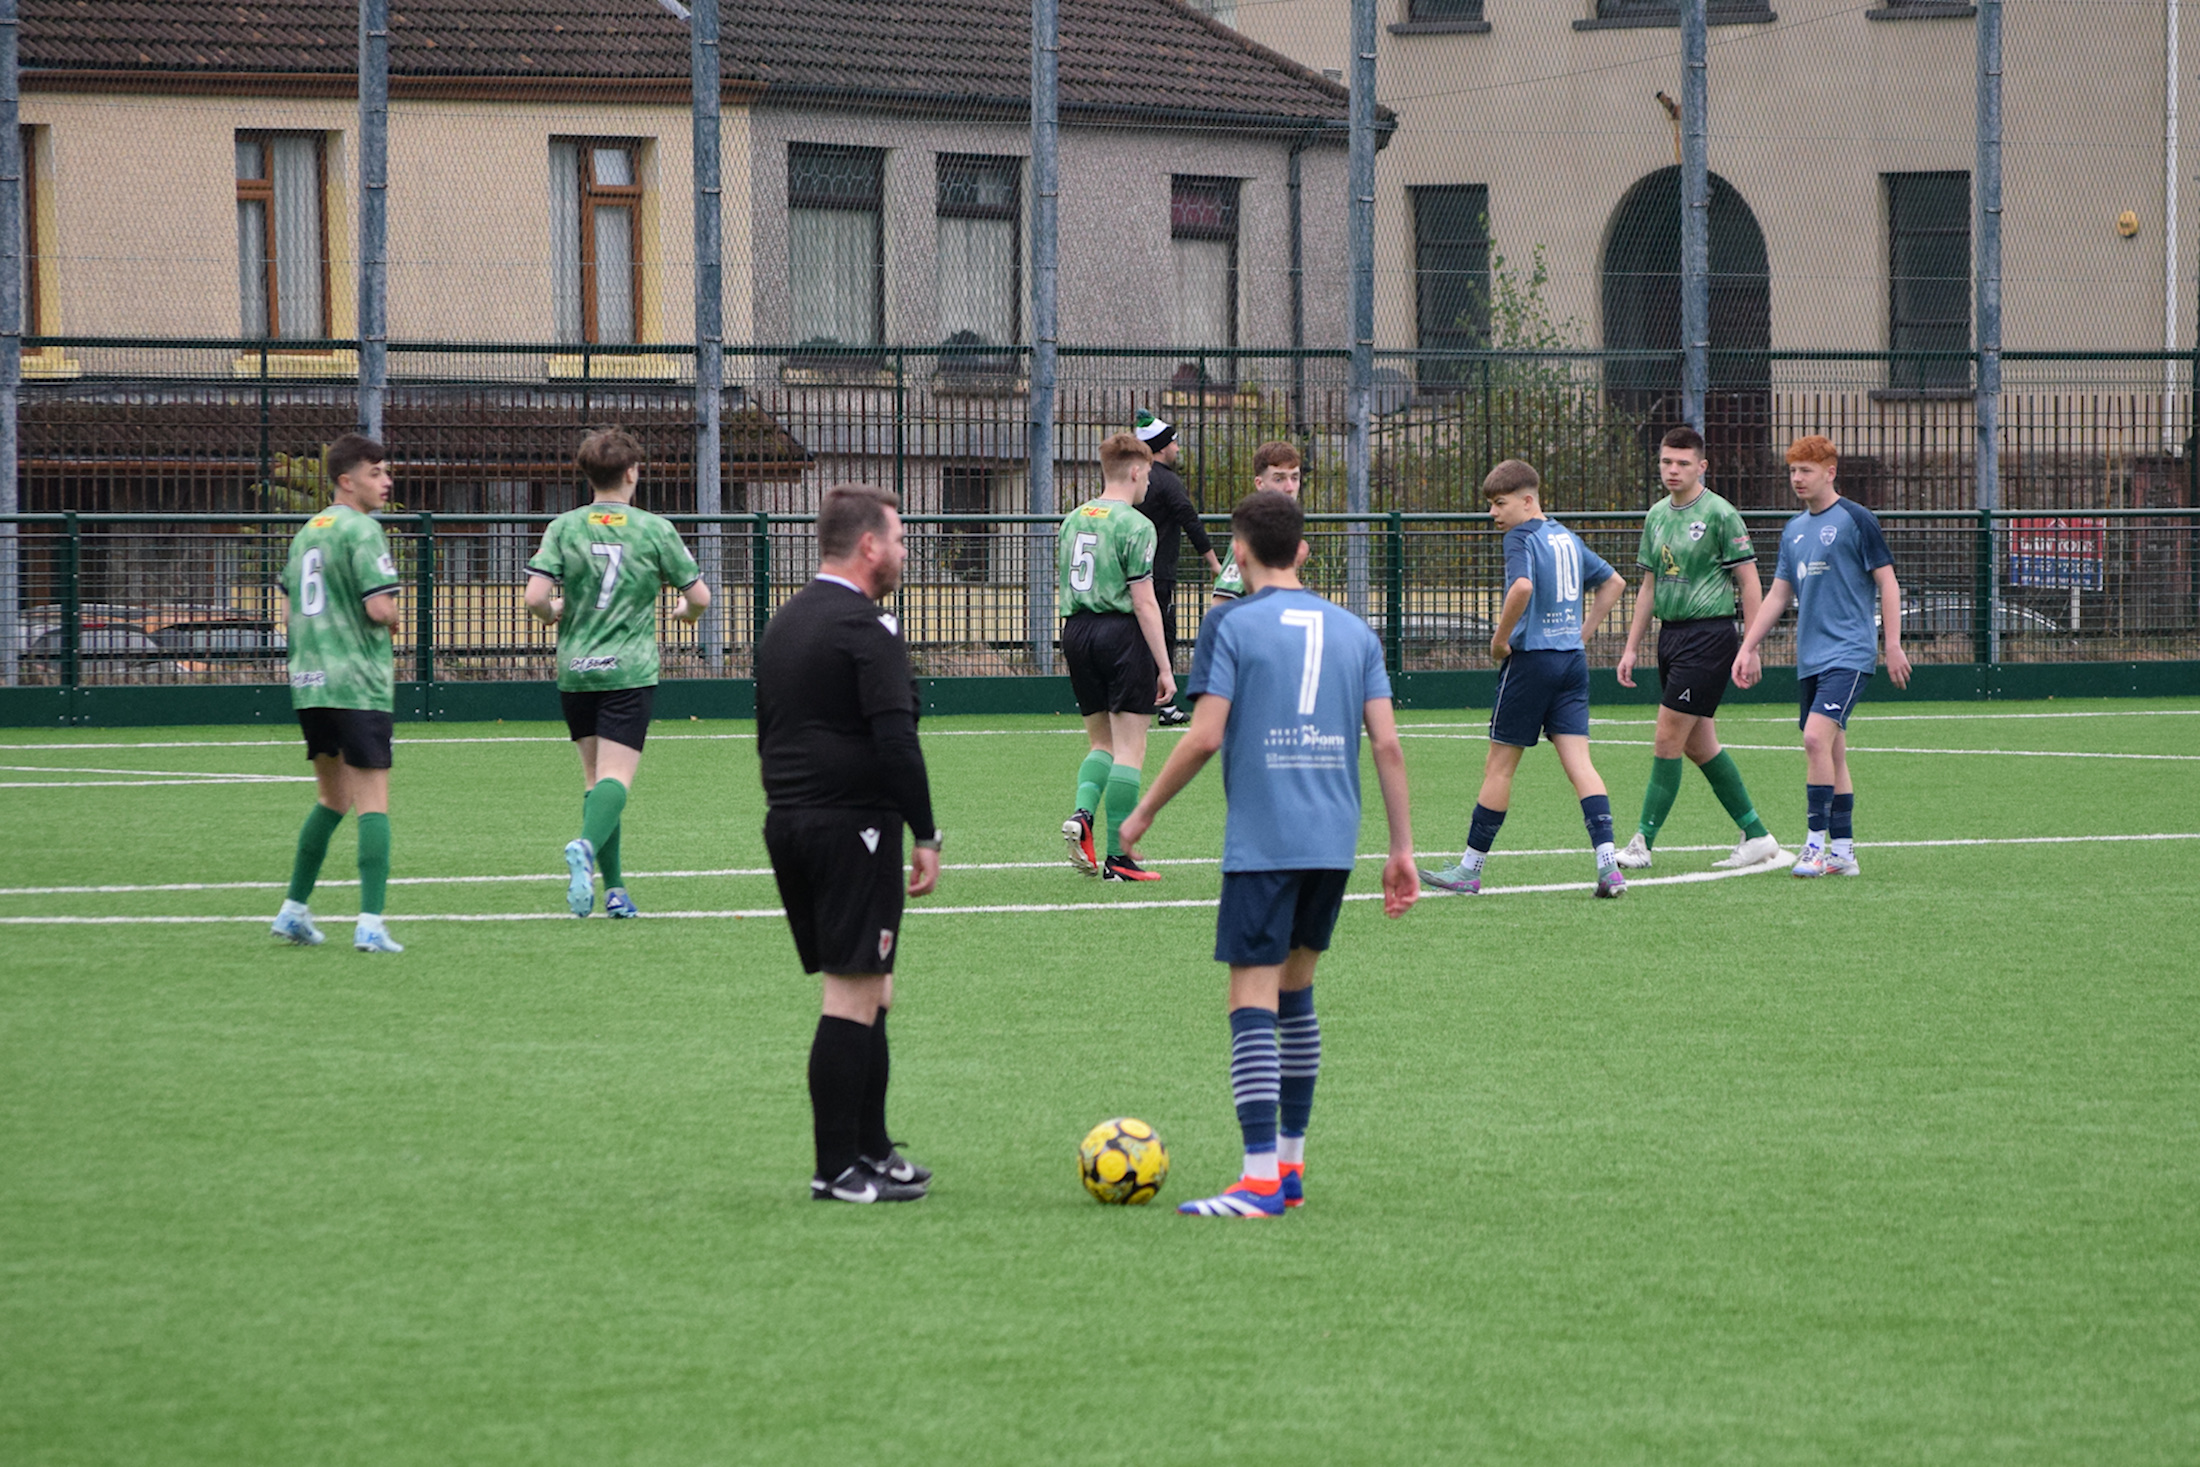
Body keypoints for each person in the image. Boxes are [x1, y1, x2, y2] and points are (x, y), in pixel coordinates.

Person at [1118, 490, 1417, 1218]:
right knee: (1298, 993)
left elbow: (1205, 733)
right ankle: (1288, 1168)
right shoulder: (1355, 632)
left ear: (1240, 553)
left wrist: (1145, 810)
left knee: (1251, 997)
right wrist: (1402, 848)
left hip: (1264, 843)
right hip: (1333, 841)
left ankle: (1256, 1180)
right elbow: (1387, 744)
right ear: (1305, 553)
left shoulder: (1230, 624)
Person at [754, 484, 942, 1203]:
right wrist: (924, 832)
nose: (903, 551)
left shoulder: (787, 621)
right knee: (852, 992)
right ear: (869, 546)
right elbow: (897, 739)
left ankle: (872, 1148)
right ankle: (836, 1167)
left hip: (792, 820)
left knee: (873, 987)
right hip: (850, 826)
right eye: (897, 538)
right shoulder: (870, 628)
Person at [524, 427, 711, 918]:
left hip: (577, 669)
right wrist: (683, 616)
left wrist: (554, 612)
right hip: (628, 670)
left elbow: (535, 600)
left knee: (594, 779)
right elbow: (699, 598)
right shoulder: (654, 529)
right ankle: (585, 847)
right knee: (616, 780)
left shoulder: (564, 527)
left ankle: (616, 890)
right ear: (633, 472)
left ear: (588, 475)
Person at [1422, 460, 1630, 899]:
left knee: (1499, 767)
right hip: (1571, 663)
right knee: (1581, 766)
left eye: (1500, 503)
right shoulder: (1566, 536)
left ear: (1527, 501)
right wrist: (1581, 634)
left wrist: (1499, 642)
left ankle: (1469, 870)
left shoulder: (1521, 537)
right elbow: (1614, 582)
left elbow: (1521, 589)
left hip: (1532, 661)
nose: (1493, 514)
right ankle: (1609, 866)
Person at [1732, 435, 1912, 877]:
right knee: (1833, 752)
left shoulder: (1856, 519)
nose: (1797, 478)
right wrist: (1748, 644)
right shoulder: (1793, 529)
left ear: (1830, 472)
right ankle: (1844, 854)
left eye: (1806, 470)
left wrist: (1891, 644)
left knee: (1814, 739)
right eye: (1792, 470)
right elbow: (1778, 595)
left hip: (1849, 653)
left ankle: (1813, 846)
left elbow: (1888, 582)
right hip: (1810, 657)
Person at [1612, 426, 1784, 871]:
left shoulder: (1720, 514)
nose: (1673, 470)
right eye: (1667, 461)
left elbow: (1749, 582)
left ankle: (1641, 842)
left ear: (1702, 466)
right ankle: (1757, 835)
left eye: (1683, 463)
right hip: (1671, 638)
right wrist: (1632, 647)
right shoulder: (1656, 516)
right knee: (1698, 745)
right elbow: (1649, 585)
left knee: (1667, 736)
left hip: (1710, 638)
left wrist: (1751, 646)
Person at [269, 433, 406, 954]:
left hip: (310, 683)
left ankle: (293, 910)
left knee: (332, 798)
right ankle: (370, 922)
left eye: (386, 471)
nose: (386, 481)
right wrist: (393, 619)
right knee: (373, 803)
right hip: (357, 682)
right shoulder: (363, 530)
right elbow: (379, 609)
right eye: (376, 473)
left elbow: (285, 613)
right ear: (347, 481)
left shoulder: (308, 532)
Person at [1058, 432, 1176, 882]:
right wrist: (1164, 666)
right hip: (1120, 634)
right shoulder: (1136, 524)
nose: (1150, 481)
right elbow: (1144, 602)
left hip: (1076, 632)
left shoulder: (1073, 519)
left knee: (1100, 743)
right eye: (1148, 472)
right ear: (1135, 470)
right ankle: (1119, 858)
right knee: (1131, 746)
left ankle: (1083, 815)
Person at [1131, 410, 1221, 726]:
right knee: (1162, 634)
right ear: (1161, 447)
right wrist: (1214, 564)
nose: (1178, 448)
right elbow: (1190, 521)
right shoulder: (1167, 482)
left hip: (1127, 573)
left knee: (1131, 634)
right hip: (1157, 576)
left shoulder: (1135, 477)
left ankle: (1132, 699)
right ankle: (1166, 704)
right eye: (1174, 443)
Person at [1209, 442, 1303, 606]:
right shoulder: (1254, 533)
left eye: (1294, 478)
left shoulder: (1286, 529)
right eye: (1279, 479)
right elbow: (1221, 601)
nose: (1289, 487)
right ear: (1260, 483)